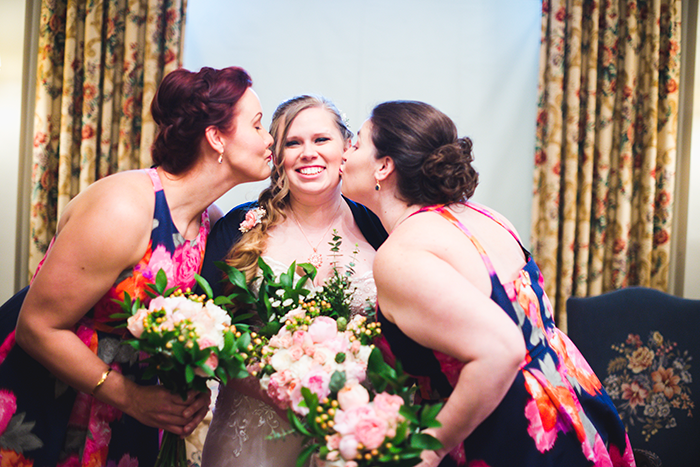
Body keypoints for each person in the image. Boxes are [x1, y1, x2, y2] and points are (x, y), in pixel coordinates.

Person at [0, 66, 274, 467]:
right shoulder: (125, 208)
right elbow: (37, 327)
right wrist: (132, 398)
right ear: (216, 137)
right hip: (45, 398)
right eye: (257, 125)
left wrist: (189, 386)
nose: (269, 139)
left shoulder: (210, 221)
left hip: (127, 410)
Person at [340, 100, 636, 467]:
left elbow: (502, 349)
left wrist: (429, 449)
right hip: (574, 404)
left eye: (355, 144)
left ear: (384, 167)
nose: (343, 152)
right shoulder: (483, 215)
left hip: (514, 433)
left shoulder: (401, 253)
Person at [199, 95, 387, 467]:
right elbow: (205, 326)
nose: (308, 153)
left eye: (321, 140)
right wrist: (278, 390)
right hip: (252, 433)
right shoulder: (239, 227)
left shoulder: (378, 226)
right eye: (292, 142)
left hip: (350, 435)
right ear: (278, 156)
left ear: (346, 150)